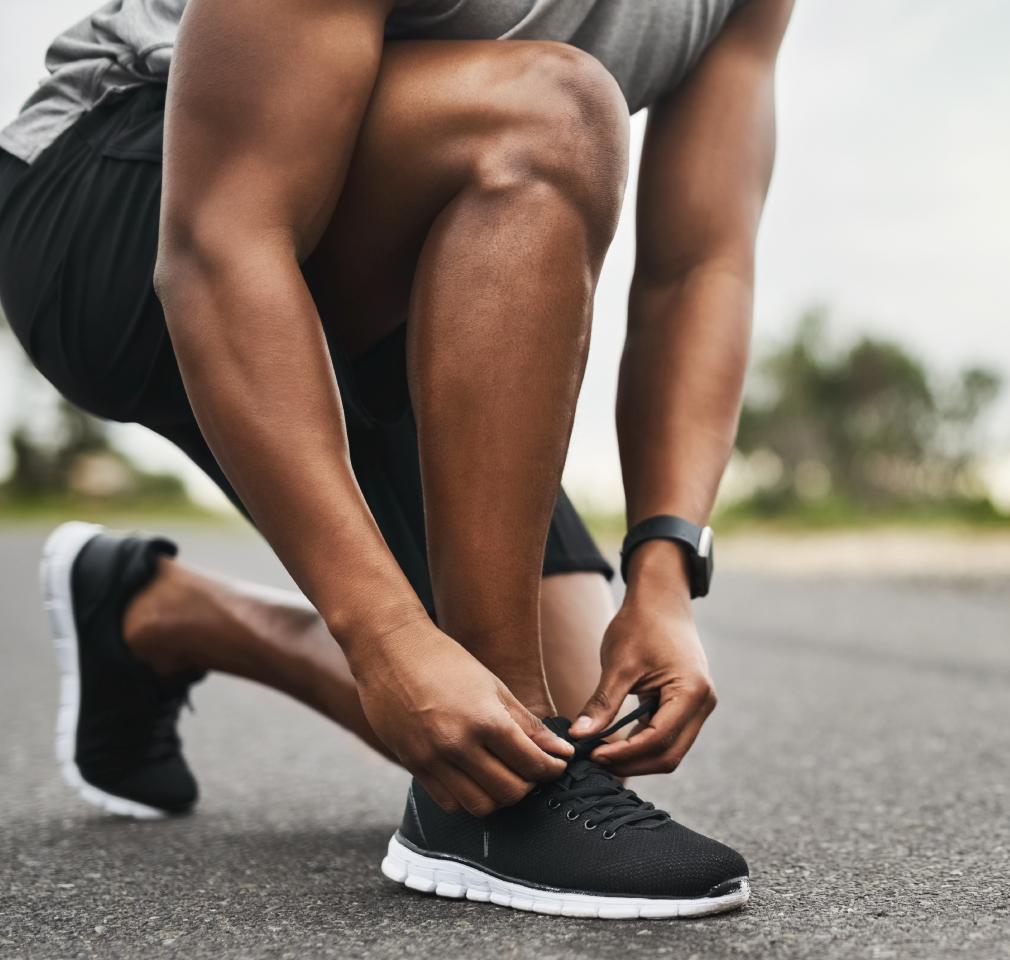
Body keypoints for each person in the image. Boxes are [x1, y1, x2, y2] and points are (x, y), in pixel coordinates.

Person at [0, 0, 793, 920]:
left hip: (392, 283)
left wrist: (662, 575)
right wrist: (383, 635)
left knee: (580, 713)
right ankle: (490, 819)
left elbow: (700, 268)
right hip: (118, 205)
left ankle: (152, 613)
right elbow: (220, 239)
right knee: (549, 109)